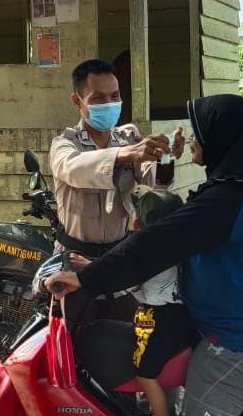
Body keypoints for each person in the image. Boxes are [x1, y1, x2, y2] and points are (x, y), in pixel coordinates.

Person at [48, 94, 243, 416]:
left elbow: (156, 243)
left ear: (223, 138)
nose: (196, 140)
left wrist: (87, 279)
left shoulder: (226, 201)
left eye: (202, 133)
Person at [49, 59, 183, 320]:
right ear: (78, 102)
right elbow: (73, 169)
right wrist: (123, 154)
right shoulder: (65, 144)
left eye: (115, 96)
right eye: (98, 98)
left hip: (119, 259)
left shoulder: (128, 137)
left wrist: (166, 158)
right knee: (74, 340)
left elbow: (153, 182)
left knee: (123, 336)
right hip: (74, 259)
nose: (110, 104)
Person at [127, 189, 199, 416]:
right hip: (185, 315)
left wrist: (88, 271)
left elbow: (120, 282)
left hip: (158, 318)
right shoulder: (185, 244)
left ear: (137, 225)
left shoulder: (144, 252)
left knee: (145, 374)